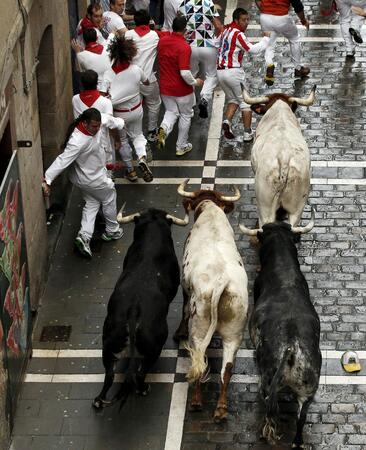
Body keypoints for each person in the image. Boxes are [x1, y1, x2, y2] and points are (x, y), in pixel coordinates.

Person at [43, 108, 124, 258]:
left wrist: (120, 122)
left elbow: (112, 121)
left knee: (92, 202)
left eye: (98, 125)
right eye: (94, 126)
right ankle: (112, 230)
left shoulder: (98, 121)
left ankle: (84, 236)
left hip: (83, 179)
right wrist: (47, 179)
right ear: (84, 123)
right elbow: (62, 161)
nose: (97, 128)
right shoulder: (77, 142)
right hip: (94, 180)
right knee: (109, 197)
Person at [100, 36, 154, 182]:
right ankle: (142, 157)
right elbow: (147, 82)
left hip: (119, 115)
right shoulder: (136, 70)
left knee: (123, 141)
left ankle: (130, 171)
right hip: (136, 110)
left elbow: (102, 96)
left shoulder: (108, 75)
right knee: (137, 136)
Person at [217, 8, 270, 142]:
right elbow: (252, 50)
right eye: (243, 20)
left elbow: (216, 44)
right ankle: (247, 133)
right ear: (236, 20)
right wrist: (266, 39)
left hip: (220, 72)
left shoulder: (225, 30)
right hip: (233, 72)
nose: (246, 23)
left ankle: (227, 122)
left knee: (233, 99)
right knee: (246, 102)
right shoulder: (237, 34)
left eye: (248, 20)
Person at [156, 17, 204, 156]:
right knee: (185, 115)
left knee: (171, 112)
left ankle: (163, 130)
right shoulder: (184, 47)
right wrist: (195, 82)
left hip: (165, 87)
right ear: (185, 29)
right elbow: (184, 72)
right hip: (182, 90)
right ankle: (181, 146)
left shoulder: (163, 41)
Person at [177, 0, 223, 118]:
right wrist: (216, 39)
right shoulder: (208, 3)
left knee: (191, 76)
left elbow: (178, 25)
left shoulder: (183, 4)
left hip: (190, 46)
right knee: (212, 75)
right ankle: (204, 97)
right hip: (208, 46)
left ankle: (190, 105)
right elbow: (218, 26)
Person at [125, 10, 161, 142]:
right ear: (149, 21)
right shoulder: (154, 35)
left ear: (135, 20)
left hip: (131, 80)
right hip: (149, 79)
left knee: (135, 107)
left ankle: (135, 133)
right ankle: (152, 131)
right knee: (154, 104)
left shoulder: (128, 35)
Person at [256, 0, 310, 85]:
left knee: (269, 42)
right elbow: (297, 5)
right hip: (281, 17)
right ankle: (298, 68)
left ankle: (269, 67)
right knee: (294, 38)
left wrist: (265, 12)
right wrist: (303, 21)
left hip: (265, 17)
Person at [72, 70, 117, 168]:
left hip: (82, 143)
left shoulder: (75, 99)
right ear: (97, 83)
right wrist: (117, 140)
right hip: (102, 144)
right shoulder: (106, 102)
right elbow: (111, 125)